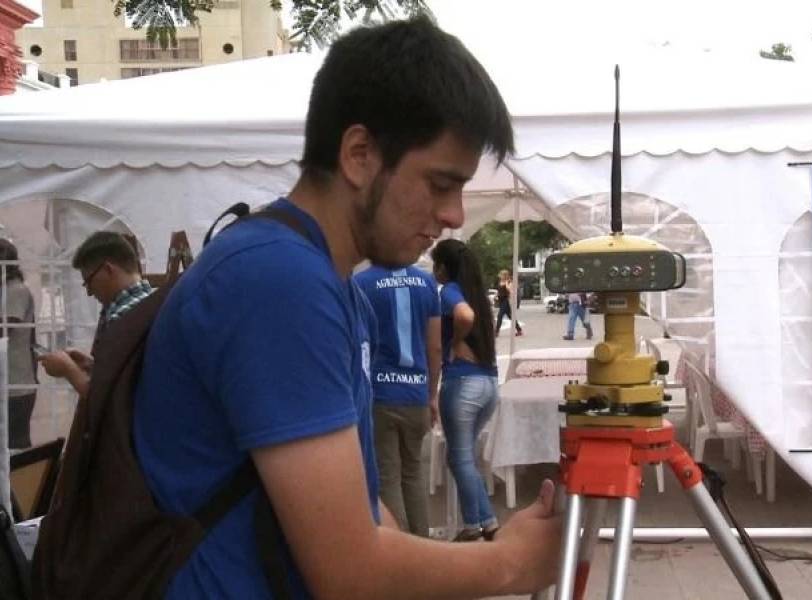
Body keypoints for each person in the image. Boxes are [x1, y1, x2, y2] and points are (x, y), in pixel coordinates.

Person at [133, 17, 560, 599]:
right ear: (359, 154)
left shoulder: (328, 281)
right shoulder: (278, 280)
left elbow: (362, 512)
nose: (456, 215)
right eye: (440, 184)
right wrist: (510, 564)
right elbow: (349, 572)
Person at [353, 263, 441, 537]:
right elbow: (435, 346)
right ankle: (423, 545)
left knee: (387, 477)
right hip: (416, 394)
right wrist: (432, 393)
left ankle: (401, 549)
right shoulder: (426, 282)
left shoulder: (361, 283)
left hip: (379, 395)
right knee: (414, 473)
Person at [431, 239, 501, 542]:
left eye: (435, 264)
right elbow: (472, 316)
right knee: (461, 458)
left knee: (459, 458)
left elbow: (463, 316)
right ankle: (477, 522)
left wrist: (456, 342)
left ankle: (483, 522)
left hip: (462, 385)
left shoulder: (449, 292)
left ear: (444, 268)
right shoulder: (478, 297)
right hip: (488, 385)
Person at [38, 231, 153, 397]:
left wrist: (68, 369)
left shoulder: (124, 318)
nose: (90, 292)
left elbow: (104, 397)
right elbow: (127, 373)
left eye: (89, 281)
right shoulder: (151, 302)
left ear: (108, 269)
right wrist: (91, 365)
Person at [0, 239, 39, 449]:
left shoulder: (15, 291)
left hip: (16, 384)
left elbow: (5, 327)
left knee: (14, 444)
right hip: (8, 382)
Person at [495, 268, 523, 337]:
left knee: (500, 316)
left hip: (505, 301)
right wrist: (496, 296)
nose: (500, 276)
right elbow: (499, 291)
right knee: (511, 317)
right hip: (501, 301)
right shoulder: (500, 282)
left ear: (504, 275)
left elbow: (510, 291)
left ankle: (496, 332)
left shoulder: (508, 282)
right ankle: (519, 330)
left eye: (501, 275)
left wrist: (507, 284)